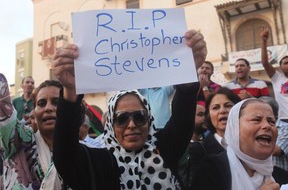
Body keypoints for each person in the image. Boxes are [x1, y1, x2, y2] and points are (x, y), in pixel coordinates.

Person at [51, 29, 207, 189]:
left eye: (139, 116)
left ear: (149, 120)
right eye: (122, 118)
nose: (131, 124)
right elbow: (65, 156)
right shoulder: (97, 162)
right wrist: (70, 91)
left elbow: (182, 120)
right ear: (110, 124)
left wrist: (187, 70)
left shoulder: (165, 148)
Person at [191, 98, 288, 190]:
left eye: (272, 122)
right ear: (235, 127)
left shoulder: (282, 177)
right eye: (256, 120)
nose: (267, 126)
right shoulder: (211, 169)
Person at [0, 76, 67, 190]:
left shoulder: (85, 154)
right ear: (34, 112)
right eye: (41, 103)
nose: (48, 108)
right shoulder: (20, 140)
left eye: (56, 102)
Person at [178, 87, 241, 189]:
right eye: (215, 107)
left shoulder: (250, 145)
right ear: (208, 116)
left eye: (228, 105)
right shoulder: (200, 150)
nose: (222, 111)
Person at [178, 100, 207, 190]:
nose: (205, 118)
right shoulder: (179, 146)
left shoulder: (209, 143)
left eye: (206, 115)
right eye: (200, 114)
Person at [260, 27, 288, 120]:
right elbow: (265, 63)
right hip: (284, 119)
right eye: (286, 63)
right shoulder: (277, 78)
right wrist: (264, 41)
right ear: (280, 67)